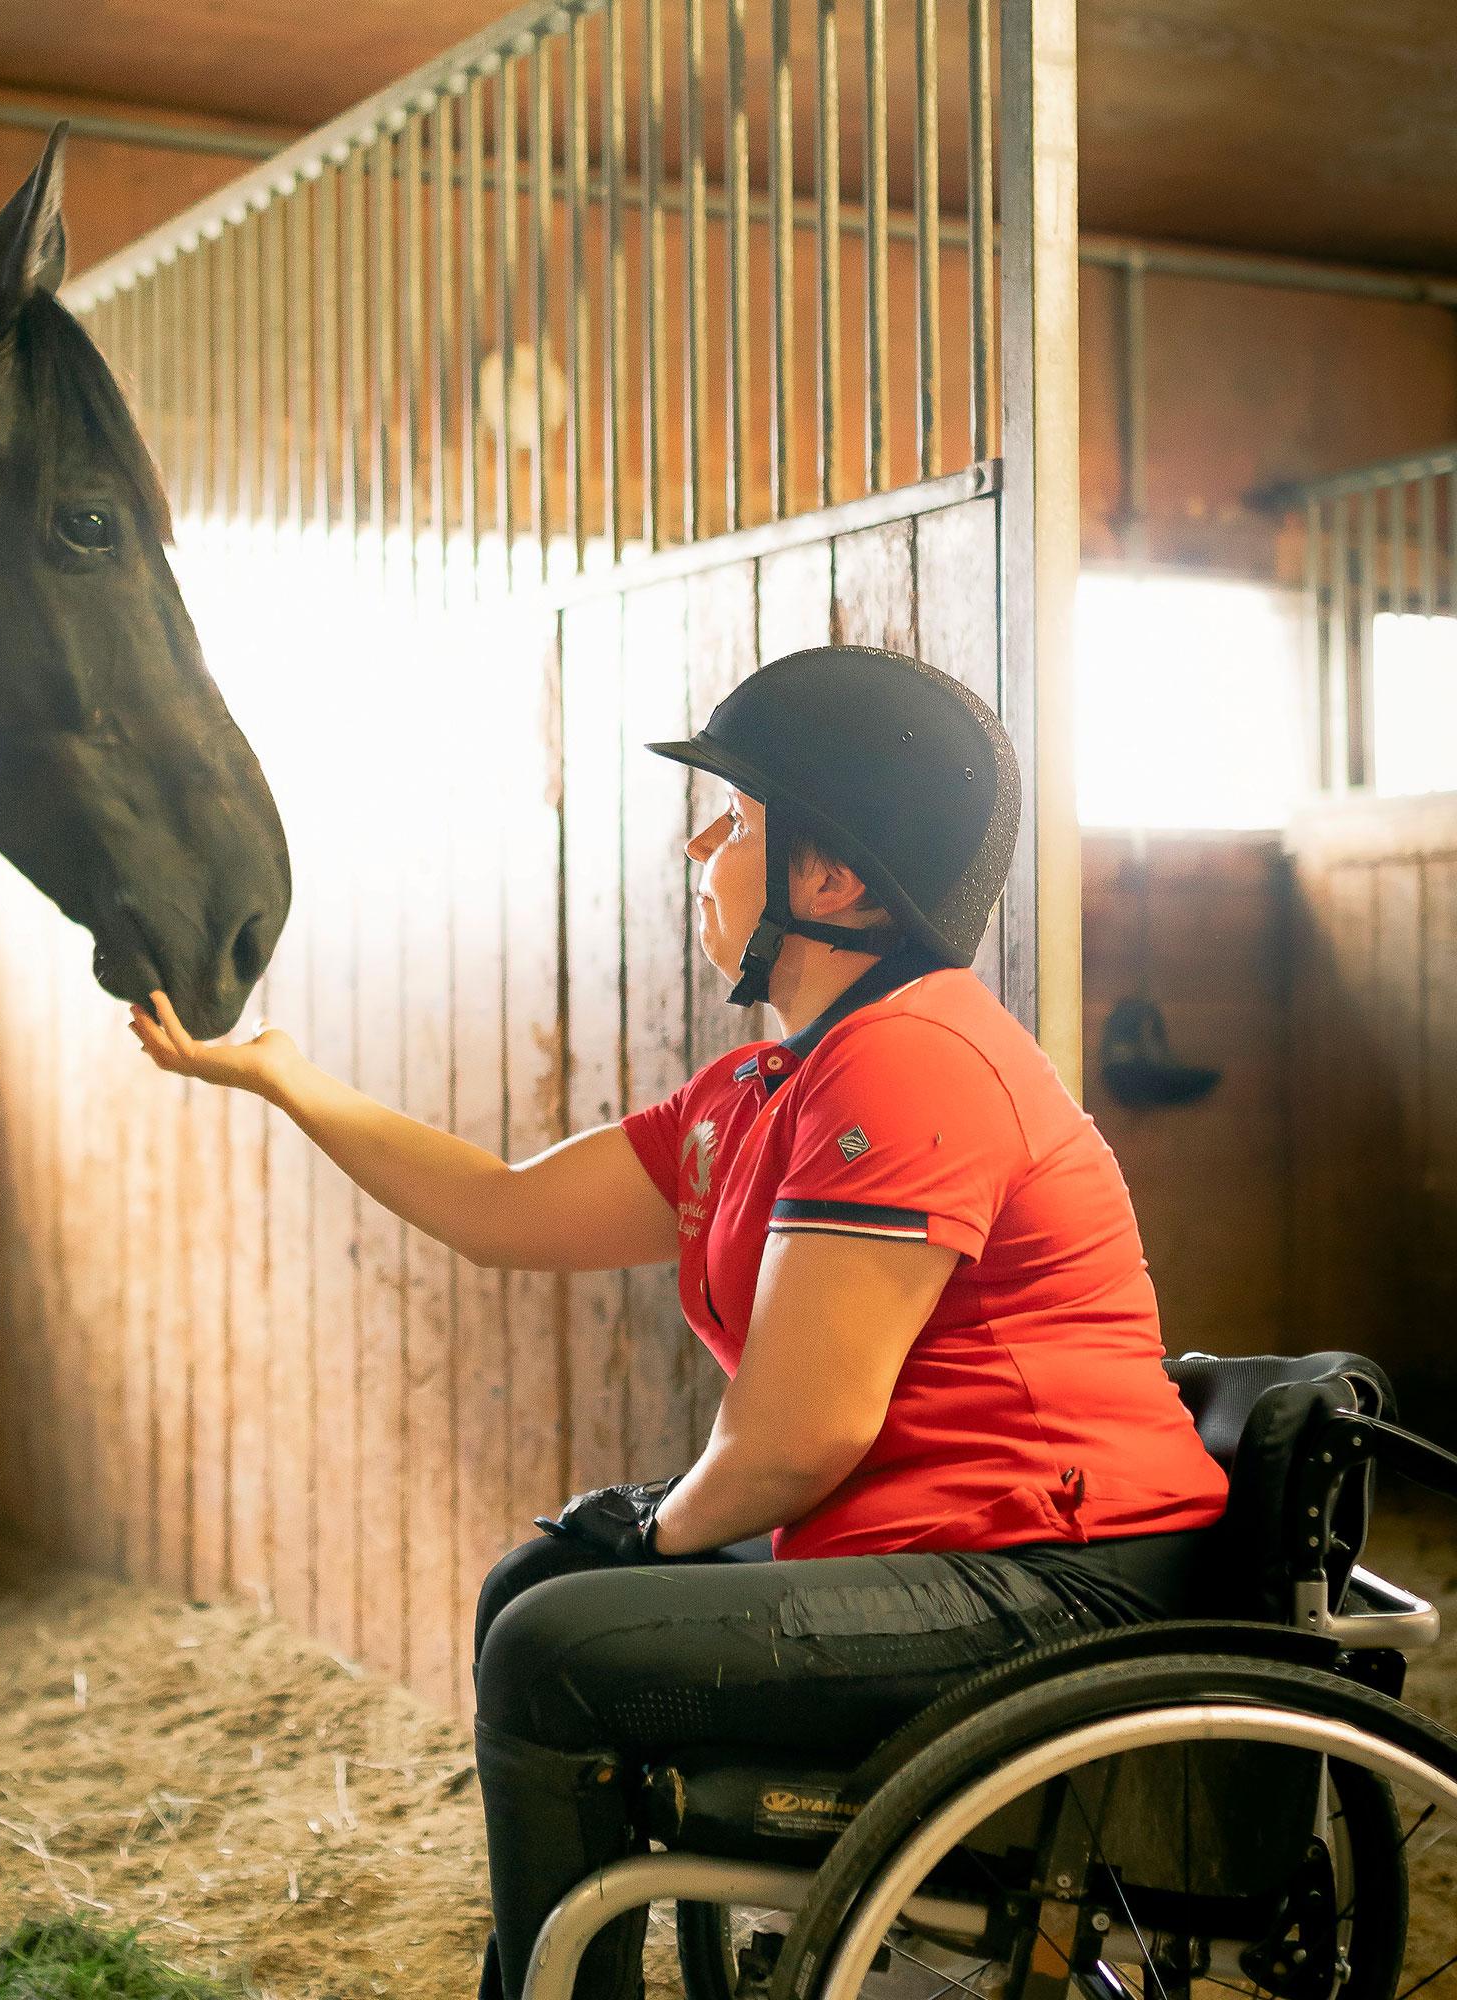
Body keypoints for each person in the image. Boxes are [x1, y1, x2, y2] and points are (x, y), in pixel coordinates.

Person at [127, 645, 1231, 2000]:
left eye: (738, 818)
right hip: (949, 1547)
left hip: (1053, 1579)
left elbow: (796, 1441)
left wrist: (654, 1534)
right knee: (535, 1591)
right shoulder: (774, 1083)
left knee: (554, 1640)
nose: (704, 845)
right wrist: (292, 1083)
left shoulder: (909, 1062)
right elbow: (504, 1209)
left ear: (828, 880)